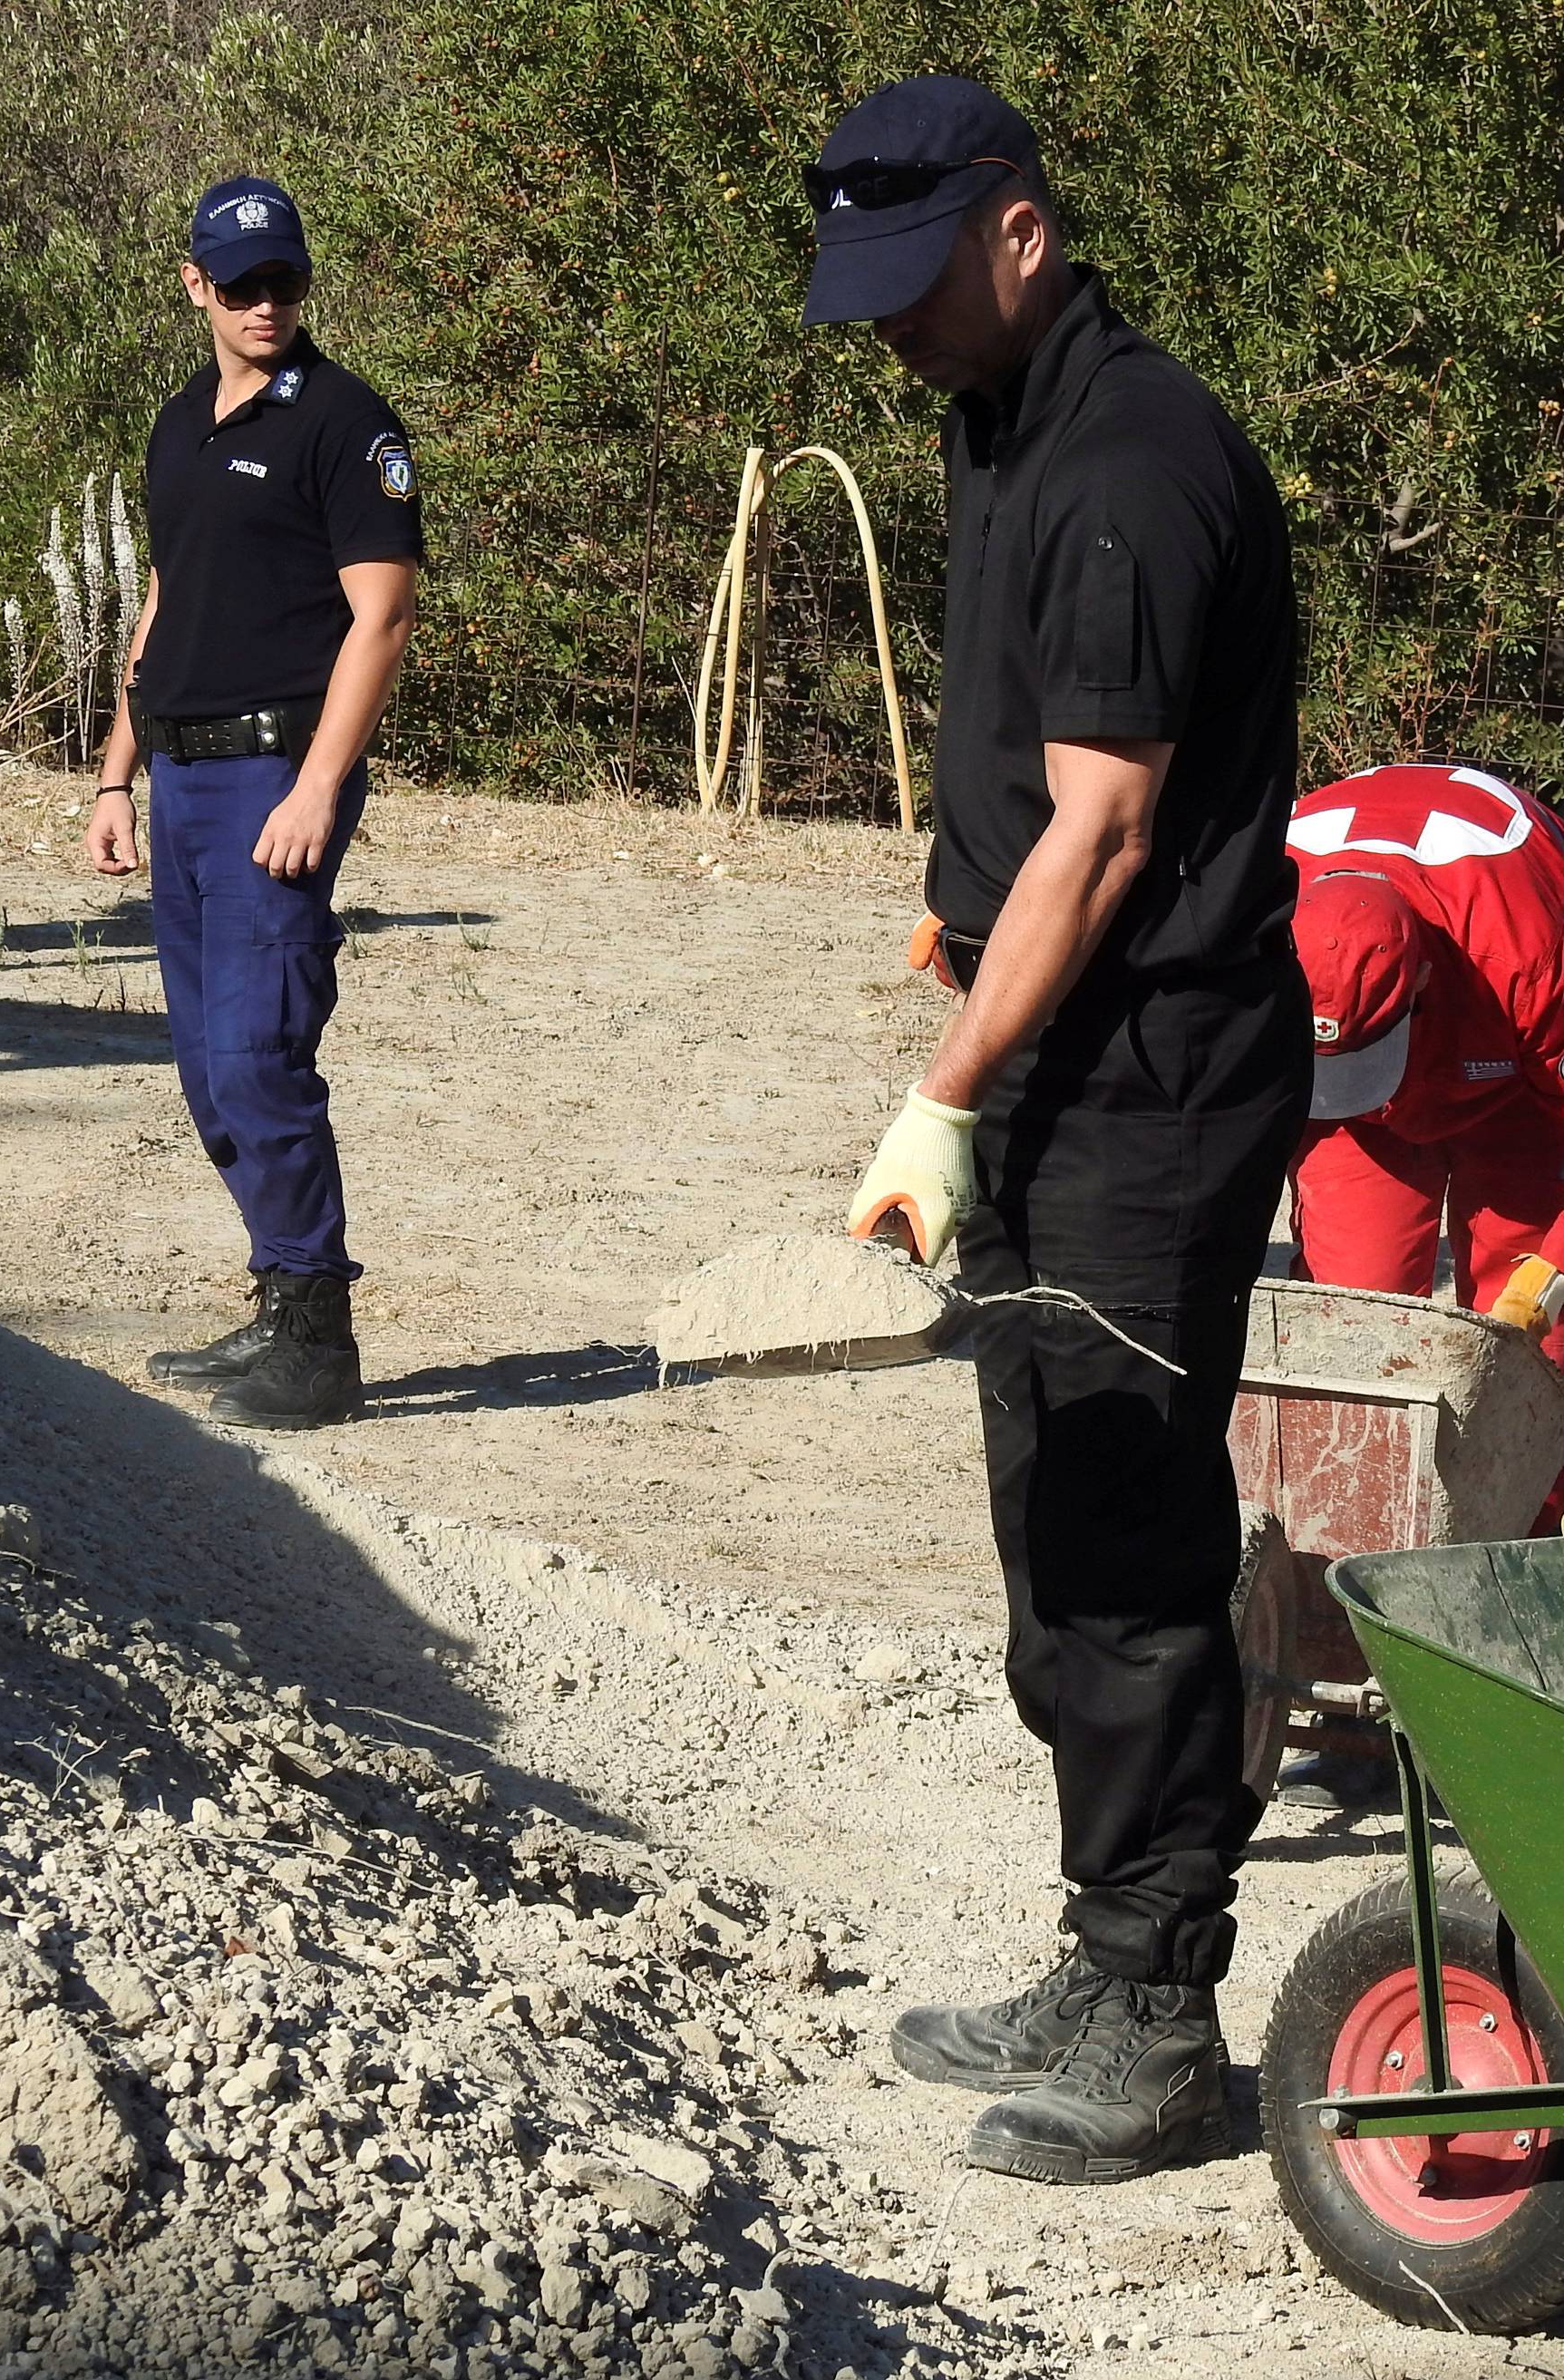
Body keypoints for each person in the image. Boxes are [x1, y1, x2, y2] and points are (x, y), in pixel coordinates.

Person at [801, 76, 1311, 2182]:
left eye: (918, 289)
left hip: (1153, 1075)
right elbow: (1037, 784)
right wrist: (960, 927)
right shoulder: (996, 419)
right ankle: (1105, 1941)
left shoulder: (1124, 465)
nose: (895, 334)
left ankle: (1161, 2014)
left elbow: (1103, 843)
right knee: (1051, 1516)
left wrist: (936, 1095)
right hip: (1057, 1060)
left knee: (1123, 1541)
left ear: (1019, 232)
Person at [84, 176, 422, 1429]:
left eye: (284, 281)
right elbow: (166, 601)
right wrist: (119, 768)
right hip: (178, 774)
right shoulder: (179, 424)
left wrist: (319, 788)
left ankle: (321, 1340)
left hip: (276, 776)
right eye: (240, 286)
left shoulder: (344, 423)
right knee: (205, 1071)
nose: (265, 304)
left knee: (258, 1051)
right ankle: (279, 1300)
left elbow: (381, 617)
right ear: (195, 288)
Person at [1288, 762, 1564, 1365]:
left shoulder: (1532, 957)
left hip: (1516, 1079)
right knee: (1354, 1322)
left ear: (1421, 978)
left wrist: (1552, 1273)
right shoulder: (1261, 905)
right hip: (1357, 1108)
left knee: (1528, 1332)